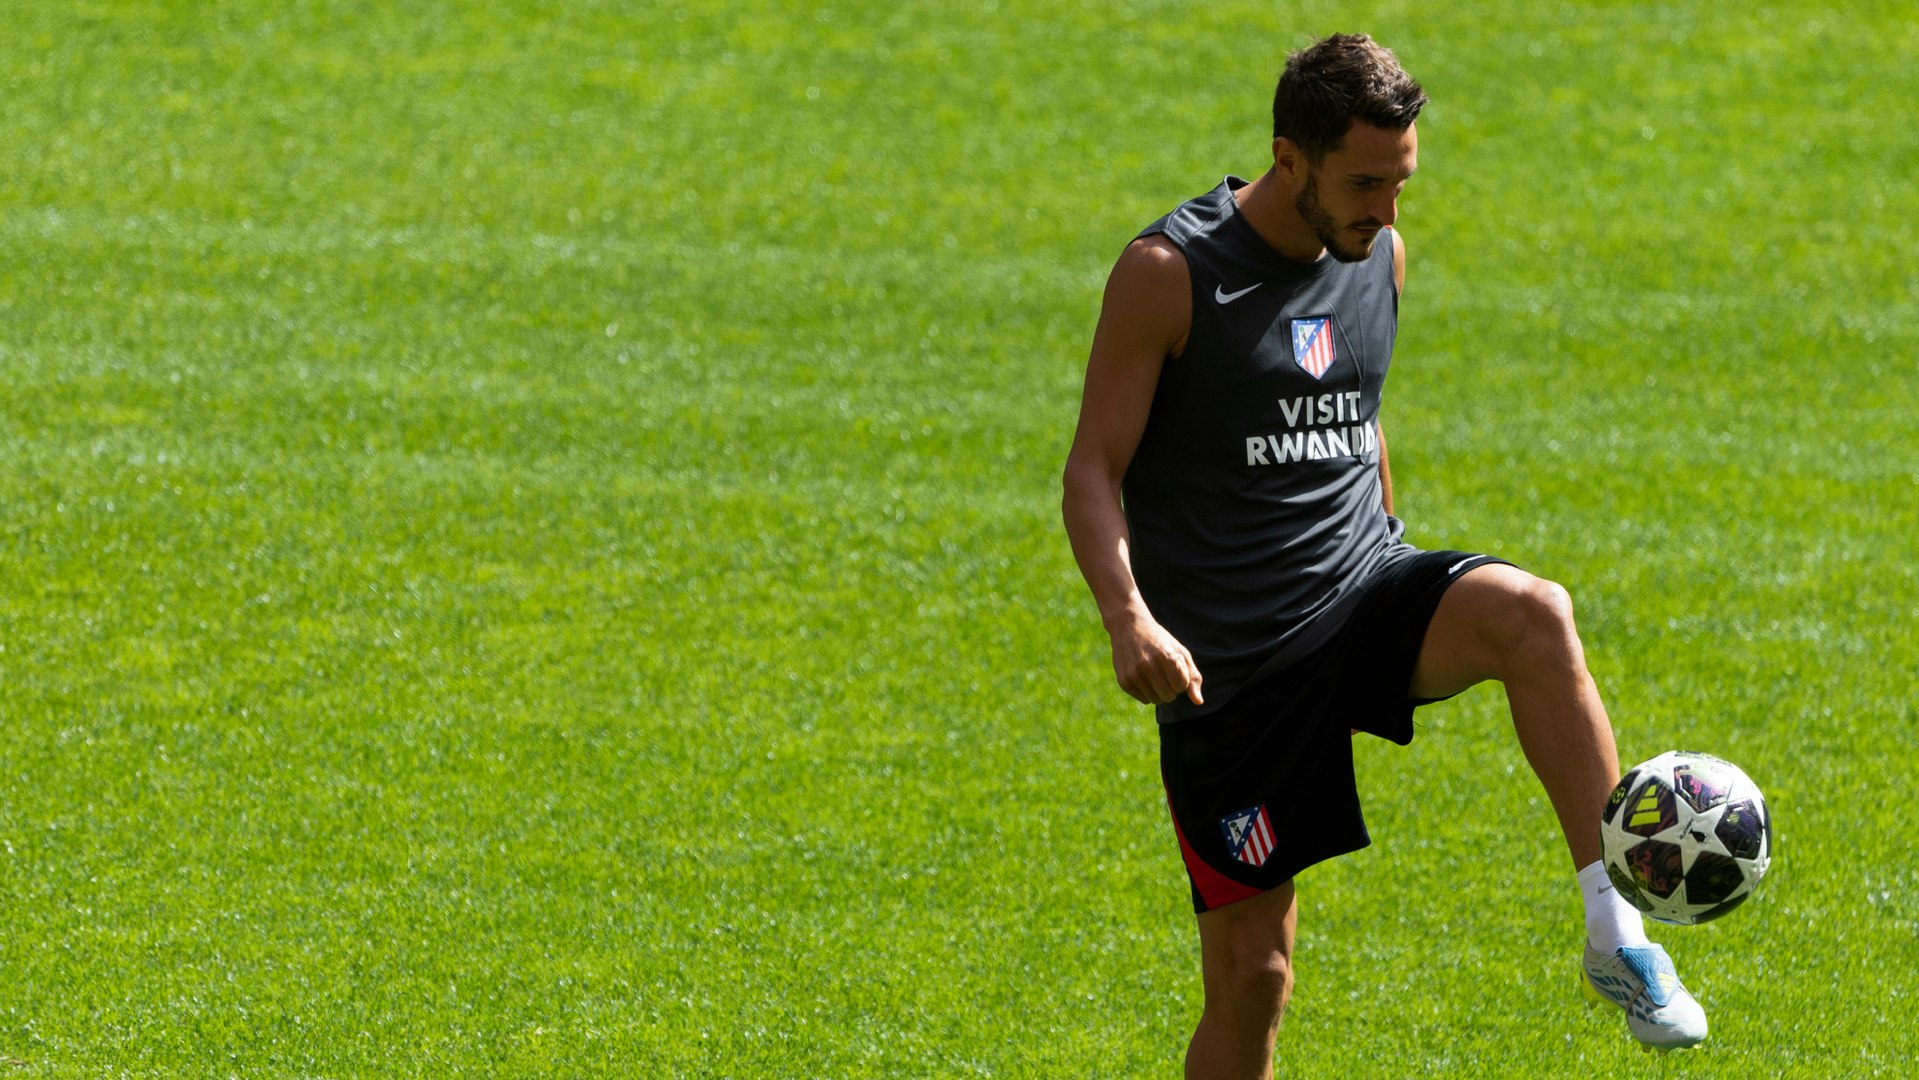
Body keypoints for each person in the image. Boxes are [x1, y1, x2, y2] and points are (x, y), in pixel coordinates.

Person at [1059, 33, 1706, 1077]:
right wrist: (1127, 617)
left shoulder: (1378, 257)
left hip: (1362, 591)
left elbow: (1357, 414)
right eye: (1362, 183)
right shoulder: (1168, 273)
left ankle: (1615, 932)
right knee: (1253, 981)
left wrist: (1389, 547)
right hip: (1233, 671)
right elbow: (1090, 467)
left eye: (1399, 183)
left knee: (1532, 613)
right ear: (1286, 158)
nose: (1386, 211)